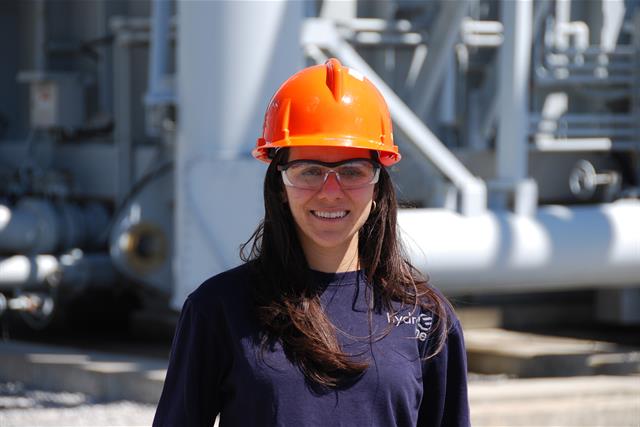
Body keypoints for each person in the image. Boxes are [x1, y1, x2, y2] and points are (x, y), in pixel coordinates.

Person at [153, 58, 470, 427]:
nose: (330, 192)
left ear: (378, 185)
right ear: (280, 186)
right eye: (310, 172)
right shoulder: (219, 309)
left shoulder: (427, 318)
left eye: (352, 171)